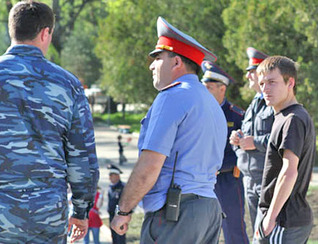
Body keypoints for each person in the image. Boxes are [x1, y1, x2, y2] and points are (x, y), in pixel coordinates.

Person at [111, 16, 227, 244]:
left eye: (158, 57)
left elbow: (150, 165)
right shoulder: (211, 103)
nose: (151, 65)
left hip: (176, 213)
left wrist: (123, 210)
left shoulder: (172, 96)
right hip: (208, 209)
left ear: (176, 63)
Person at [0, 1, 99, 243]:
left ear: (12, 30)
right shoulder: (68, 84)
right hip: (45, 215)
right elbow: (82, 155)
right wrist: (81, 210)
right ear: (46, 33)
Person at [253, 56, 315, 243]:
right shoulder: (286, 116)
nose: (265, 88)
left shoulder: (292, 119)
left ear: (290, 83)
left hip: (283, 220)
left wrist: (270, 218)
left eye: (272, 82)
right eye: (262, 83)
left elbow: (289, 172)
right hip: (285, 217)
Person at [201, 61, 249, 244]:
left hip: (228, 180)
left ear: (222, 89)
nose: (204, 92)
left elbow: (242, 151)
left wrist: (217, 166)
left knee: (233, 228)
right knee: (202, 229)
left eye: (209, 87)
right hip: (202, 180)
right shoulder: (198, 112)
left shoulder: (237, 116)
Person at [229, 47, 274, 233]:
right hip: (249, 179)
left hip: (267, 179)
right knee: (258, 234)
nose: (248, 76)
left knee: (270, 233)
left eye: (251, 72)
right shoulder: (253, 104)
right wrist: (237, 141)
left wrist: (254, 142)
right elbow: (246, 139)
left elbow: (284, 138)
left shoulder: (274, 103)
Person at [107, 164, 126, 244]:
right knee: (114, 237)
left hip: (120, 216)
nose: (110, 177)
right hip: (111, 215)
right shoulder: (111, 187)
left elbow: (124, 202)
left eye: (112, 175)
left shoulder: (123, 187)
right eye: (110, 175)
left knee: (120, 238)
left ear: (118, 176)